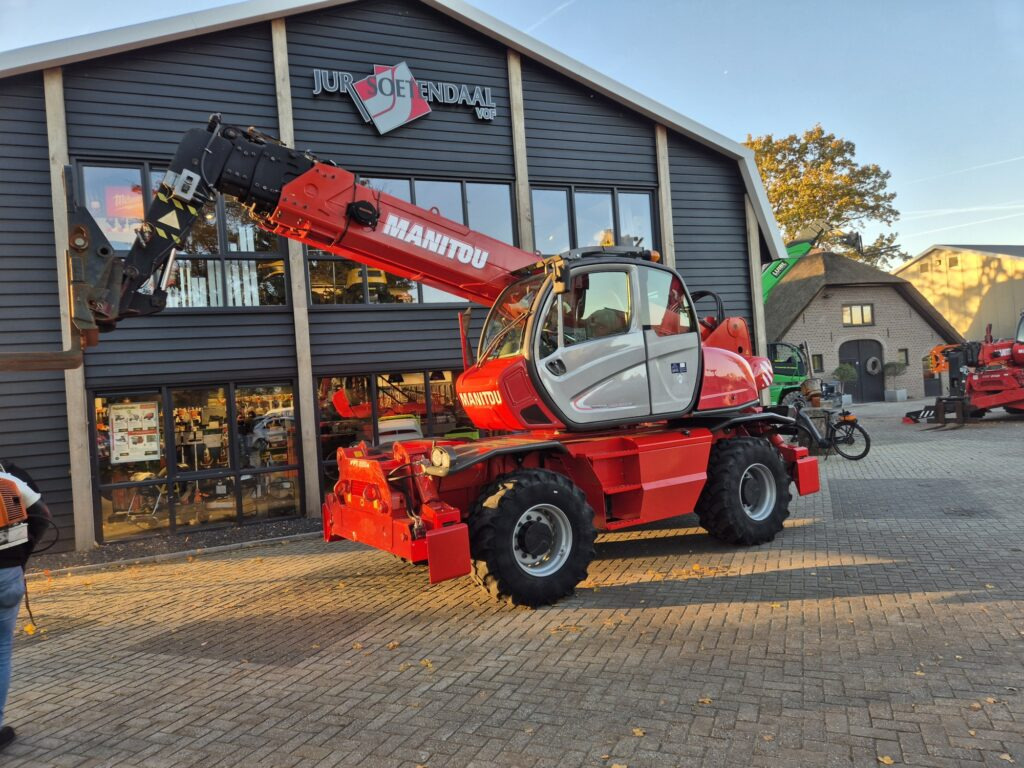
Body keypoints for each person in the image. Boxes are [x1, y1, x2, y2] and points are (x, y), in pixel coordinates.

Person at [0, 461, 52, 751]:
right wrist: (22, 556)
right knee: (1, 650)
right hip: (8, 575)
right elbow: (43, 516)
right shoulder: (8, 481)